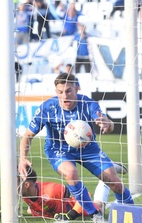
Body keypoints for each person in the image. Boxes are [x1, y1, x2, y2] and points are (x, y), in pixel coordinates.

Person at [19, 73, 134, 222]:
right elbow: (27, 136)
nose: (64, 95)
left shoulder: (88, 104)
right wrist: (22, 158)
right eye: (60, 92)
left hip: (89, 149)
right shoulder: (48, 108)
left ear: (77, 89)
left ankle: (132, 210)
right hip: (59, 150)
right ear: (56, 92)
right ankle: (95, 214)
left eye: (68, 91)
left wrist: (108, 123)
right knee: (71, 173)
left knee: (114, 182)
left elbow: (108, 125)